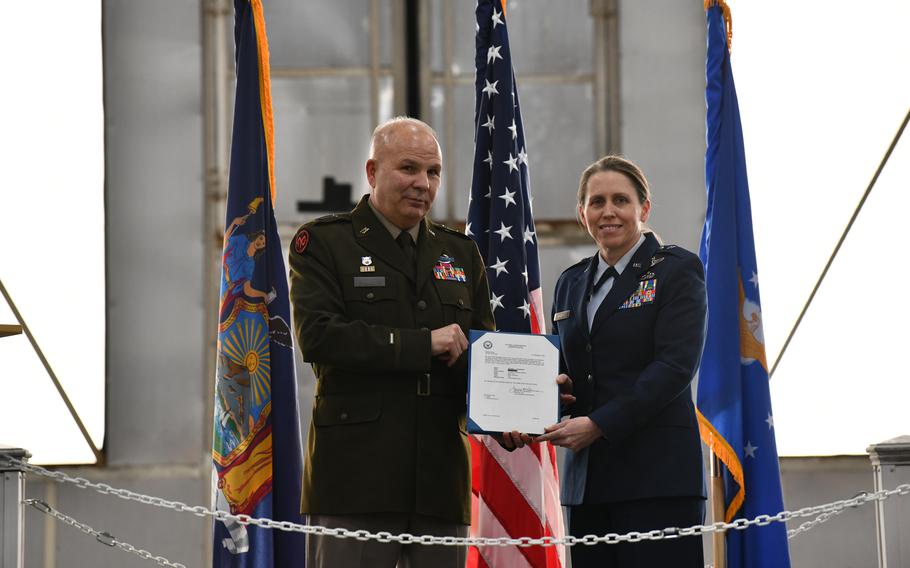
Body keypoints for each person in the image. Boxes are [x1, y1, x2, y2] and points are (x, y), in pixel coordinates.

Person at [288, 117, 495, 568]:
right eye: (408, 168)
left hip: (439, 480)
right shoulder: (325, 243)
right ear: (372, 171)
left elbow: (484, 356)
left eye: (433, 172)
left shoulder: (461, 253)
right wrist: (424, 345)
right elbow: (319, 337)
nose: (423, 183)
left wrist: (514, 409)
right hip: (355, 480)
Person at [536, 155, 708, 567]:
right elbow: (566, 372)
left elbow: (674, 368)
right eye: (596, 202)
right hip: (589, 485)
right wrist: (539, 399)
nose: (608, 212)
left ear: (643, 209)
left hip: (657, 480)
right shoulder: (571, 282)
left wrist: (598, 425)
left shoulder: (676, 270)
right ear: (582, 214)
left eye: (620, 200)